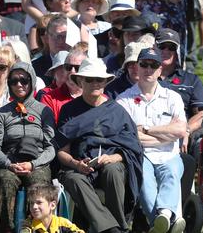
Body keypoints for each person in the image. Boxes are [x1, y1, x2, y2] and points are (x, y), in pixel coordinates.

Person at [55, 58, 143, 233]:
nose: (95, 83)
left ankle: (115, 224)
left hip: (111, 164)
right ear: (80, 81)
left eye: (99, 79)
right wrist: (76, 164)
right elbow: (61, 151)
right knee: (73, 179)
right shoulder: (69, 110)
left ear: (106, 82)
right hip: (79, 167)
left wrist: (112, 157)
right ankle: (114, 230)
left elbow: (132, 147)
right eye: (89, 79)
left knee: (113, 170)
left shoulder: (117, 110)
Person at [117, 48, 187, 233]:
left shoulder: (173, 97)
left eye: (154, 65)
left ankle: (162, 218)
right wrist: (165, 135)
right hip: (140, 155)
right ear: (136, 68)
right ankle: (168, 223)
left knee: (171, 174)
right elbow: (128, 136)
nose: (148, 69)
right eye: (144, 64)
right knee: (145, 186)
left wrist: (147, 129)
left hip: (169, 155)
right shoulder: (124, 100)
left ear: (160, 70)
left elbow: (180, 130)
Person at [0, 62, 55, 231]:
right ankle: (6, 229)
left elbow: (51, 147)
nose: (19, 84)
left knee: (38, 183)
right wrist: (8, 164)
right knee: (6, 180)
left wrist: (33, 164)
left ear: (32, 81)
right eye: (13, 81)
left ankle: (34, 229)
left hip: (37, 162)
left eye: (24, 80)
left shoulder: (44, 111)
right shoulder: (2, 113)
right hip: (10, 162)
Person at [20, 184, 84, 233]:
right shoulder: (28, 226)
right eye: (31, 203)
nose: (34, 207)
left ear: (52, 205)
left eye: (39, 202)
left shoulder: (63, 224)